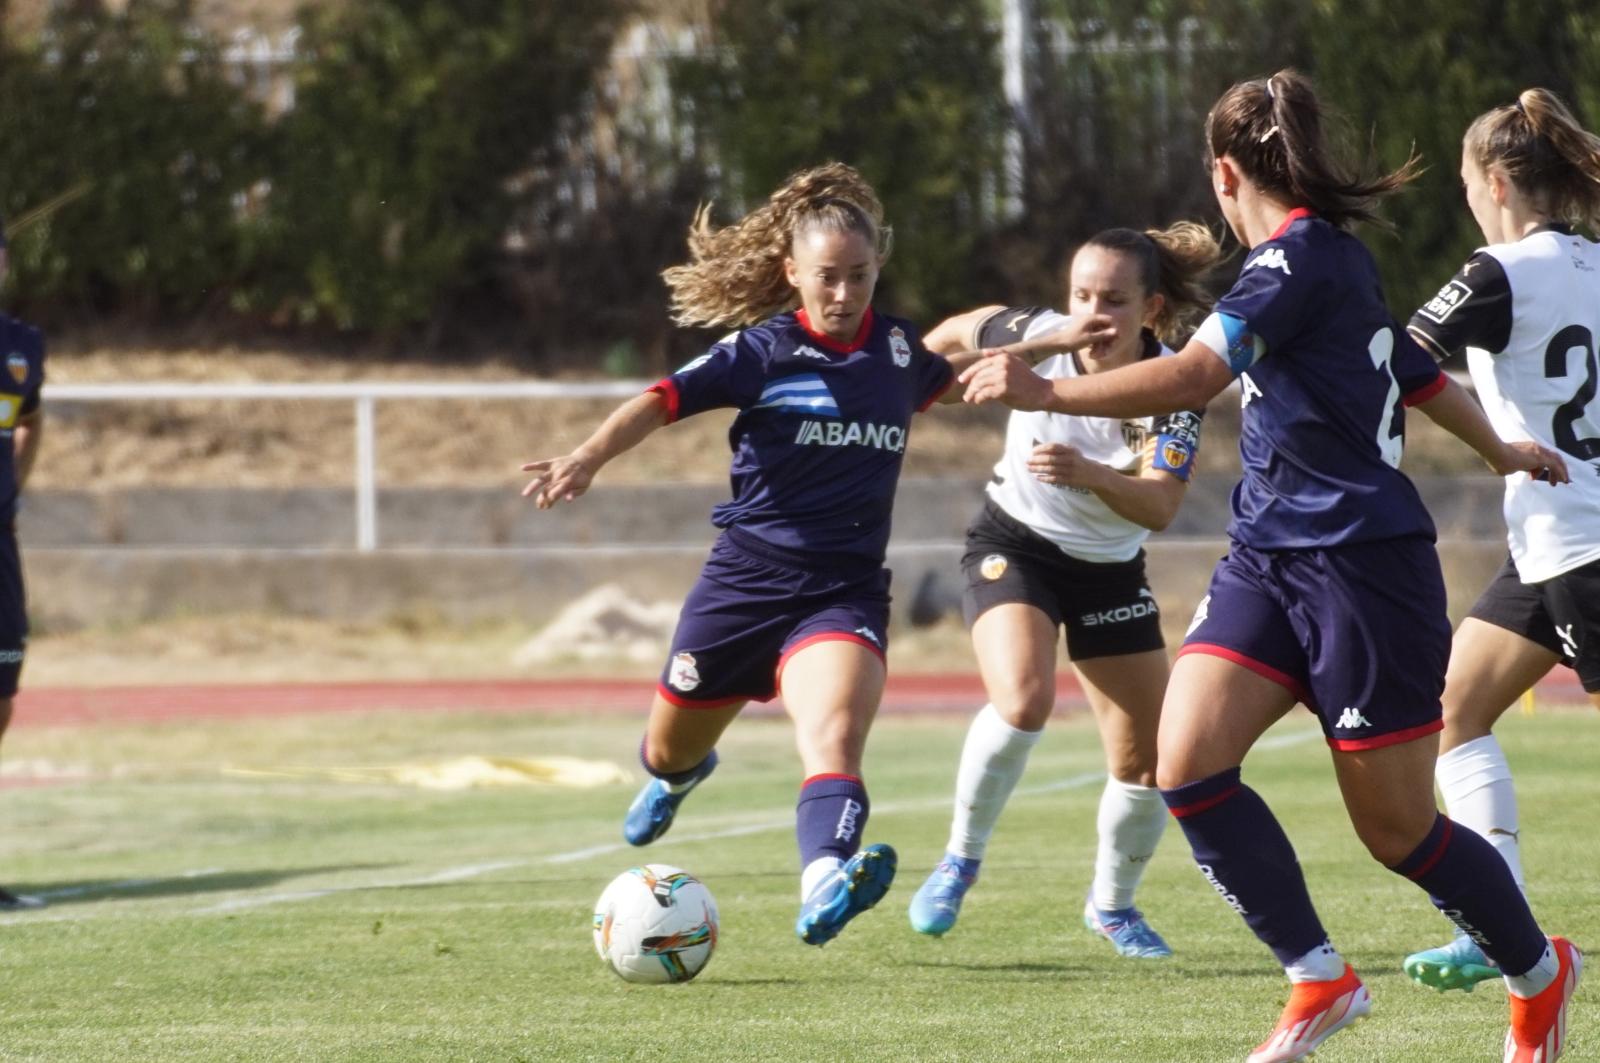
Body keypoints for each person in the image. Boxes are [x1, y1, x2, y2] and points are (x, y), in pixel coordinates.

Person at [959, 70, 1580, 1063]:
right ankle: (1318, 977)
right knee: (1185, 762)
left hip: (1362, 567)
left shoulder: (1290, 265)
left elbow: (1197, 377)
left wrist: (1048, 393)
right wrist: (1497, 448)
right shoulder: (1323, 262)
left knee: (1398, 830)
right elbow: (1411, 371)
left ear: (1222, 174)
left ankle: (1539, 975)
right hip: (1265, 558)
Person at [521, 162, 1111, 947]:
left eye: (859, 276)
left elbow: (966, 350)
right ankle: (679, 776)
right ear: (791, 272)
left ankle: (824, 881)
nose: (843, 294)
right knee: (668, 747)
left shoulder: (898, 352)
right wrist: (588, 456)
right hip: (743, 583)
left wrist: (1049, 336)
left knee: (833, 735)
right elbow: (660, 401)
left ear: (877, 270)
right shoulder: (759, 351)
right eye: (827, 278)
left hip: (842, 591)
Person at [906, 222, 1221, 958]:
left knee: (1150, 759)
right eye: (1081, 294)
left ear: (1151, 309)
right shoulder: (1042, 333)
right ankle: (959, 860)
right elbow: (960, 329)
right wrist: (908, 376)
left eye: (1113, 299)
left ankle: (1112, 906)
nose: (1091, 314)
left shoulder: (1173, 384)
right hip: (1014, 545)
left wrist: (1093, 475)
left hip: (1109, 567)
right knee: (1022, 698)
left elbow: (1161, 506)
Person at [1399, 88, 1600, 994]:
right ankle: (1498, 923)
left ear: (1493, 181)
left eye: (1467, 187)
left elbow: (1401, 358)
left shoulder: (1497, 271)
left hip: (1581, 538)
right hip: (1552, 543)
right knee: (1455, 707)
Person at [0, 217, 46, 912]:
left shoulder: (23, 344)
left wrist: (15, 488)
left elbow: (33, 417)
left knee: (2, 696)